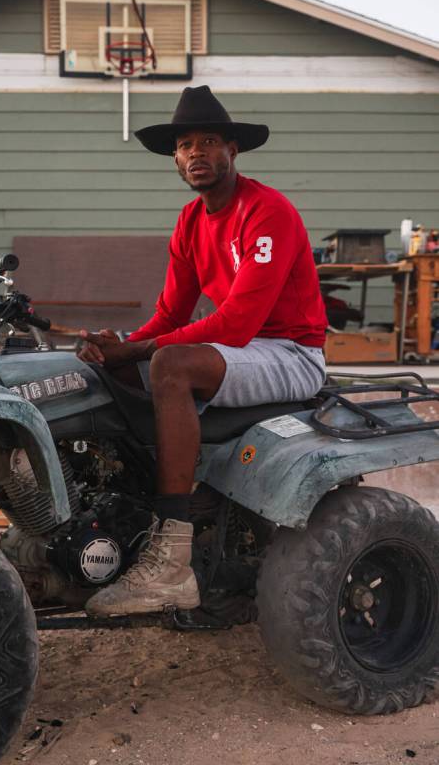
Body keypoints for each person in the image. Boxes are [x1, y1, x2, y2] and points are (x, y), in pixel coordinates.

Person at [79, 85, 327, 617]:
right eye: (185, 144)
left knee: (167, 364)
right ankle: (118, 517)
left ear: (233, 151)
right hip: (238, 353)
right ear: (174, 158)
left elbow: (237, 325)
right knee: (106, 372)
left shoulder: (267, 212)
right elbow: (170, 315)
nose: (197, 153)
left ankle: (171, 559)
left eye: (209, 141)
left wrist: (142, 351)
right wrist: (120, 347)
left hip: (290, 353)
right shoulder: (190, 223)